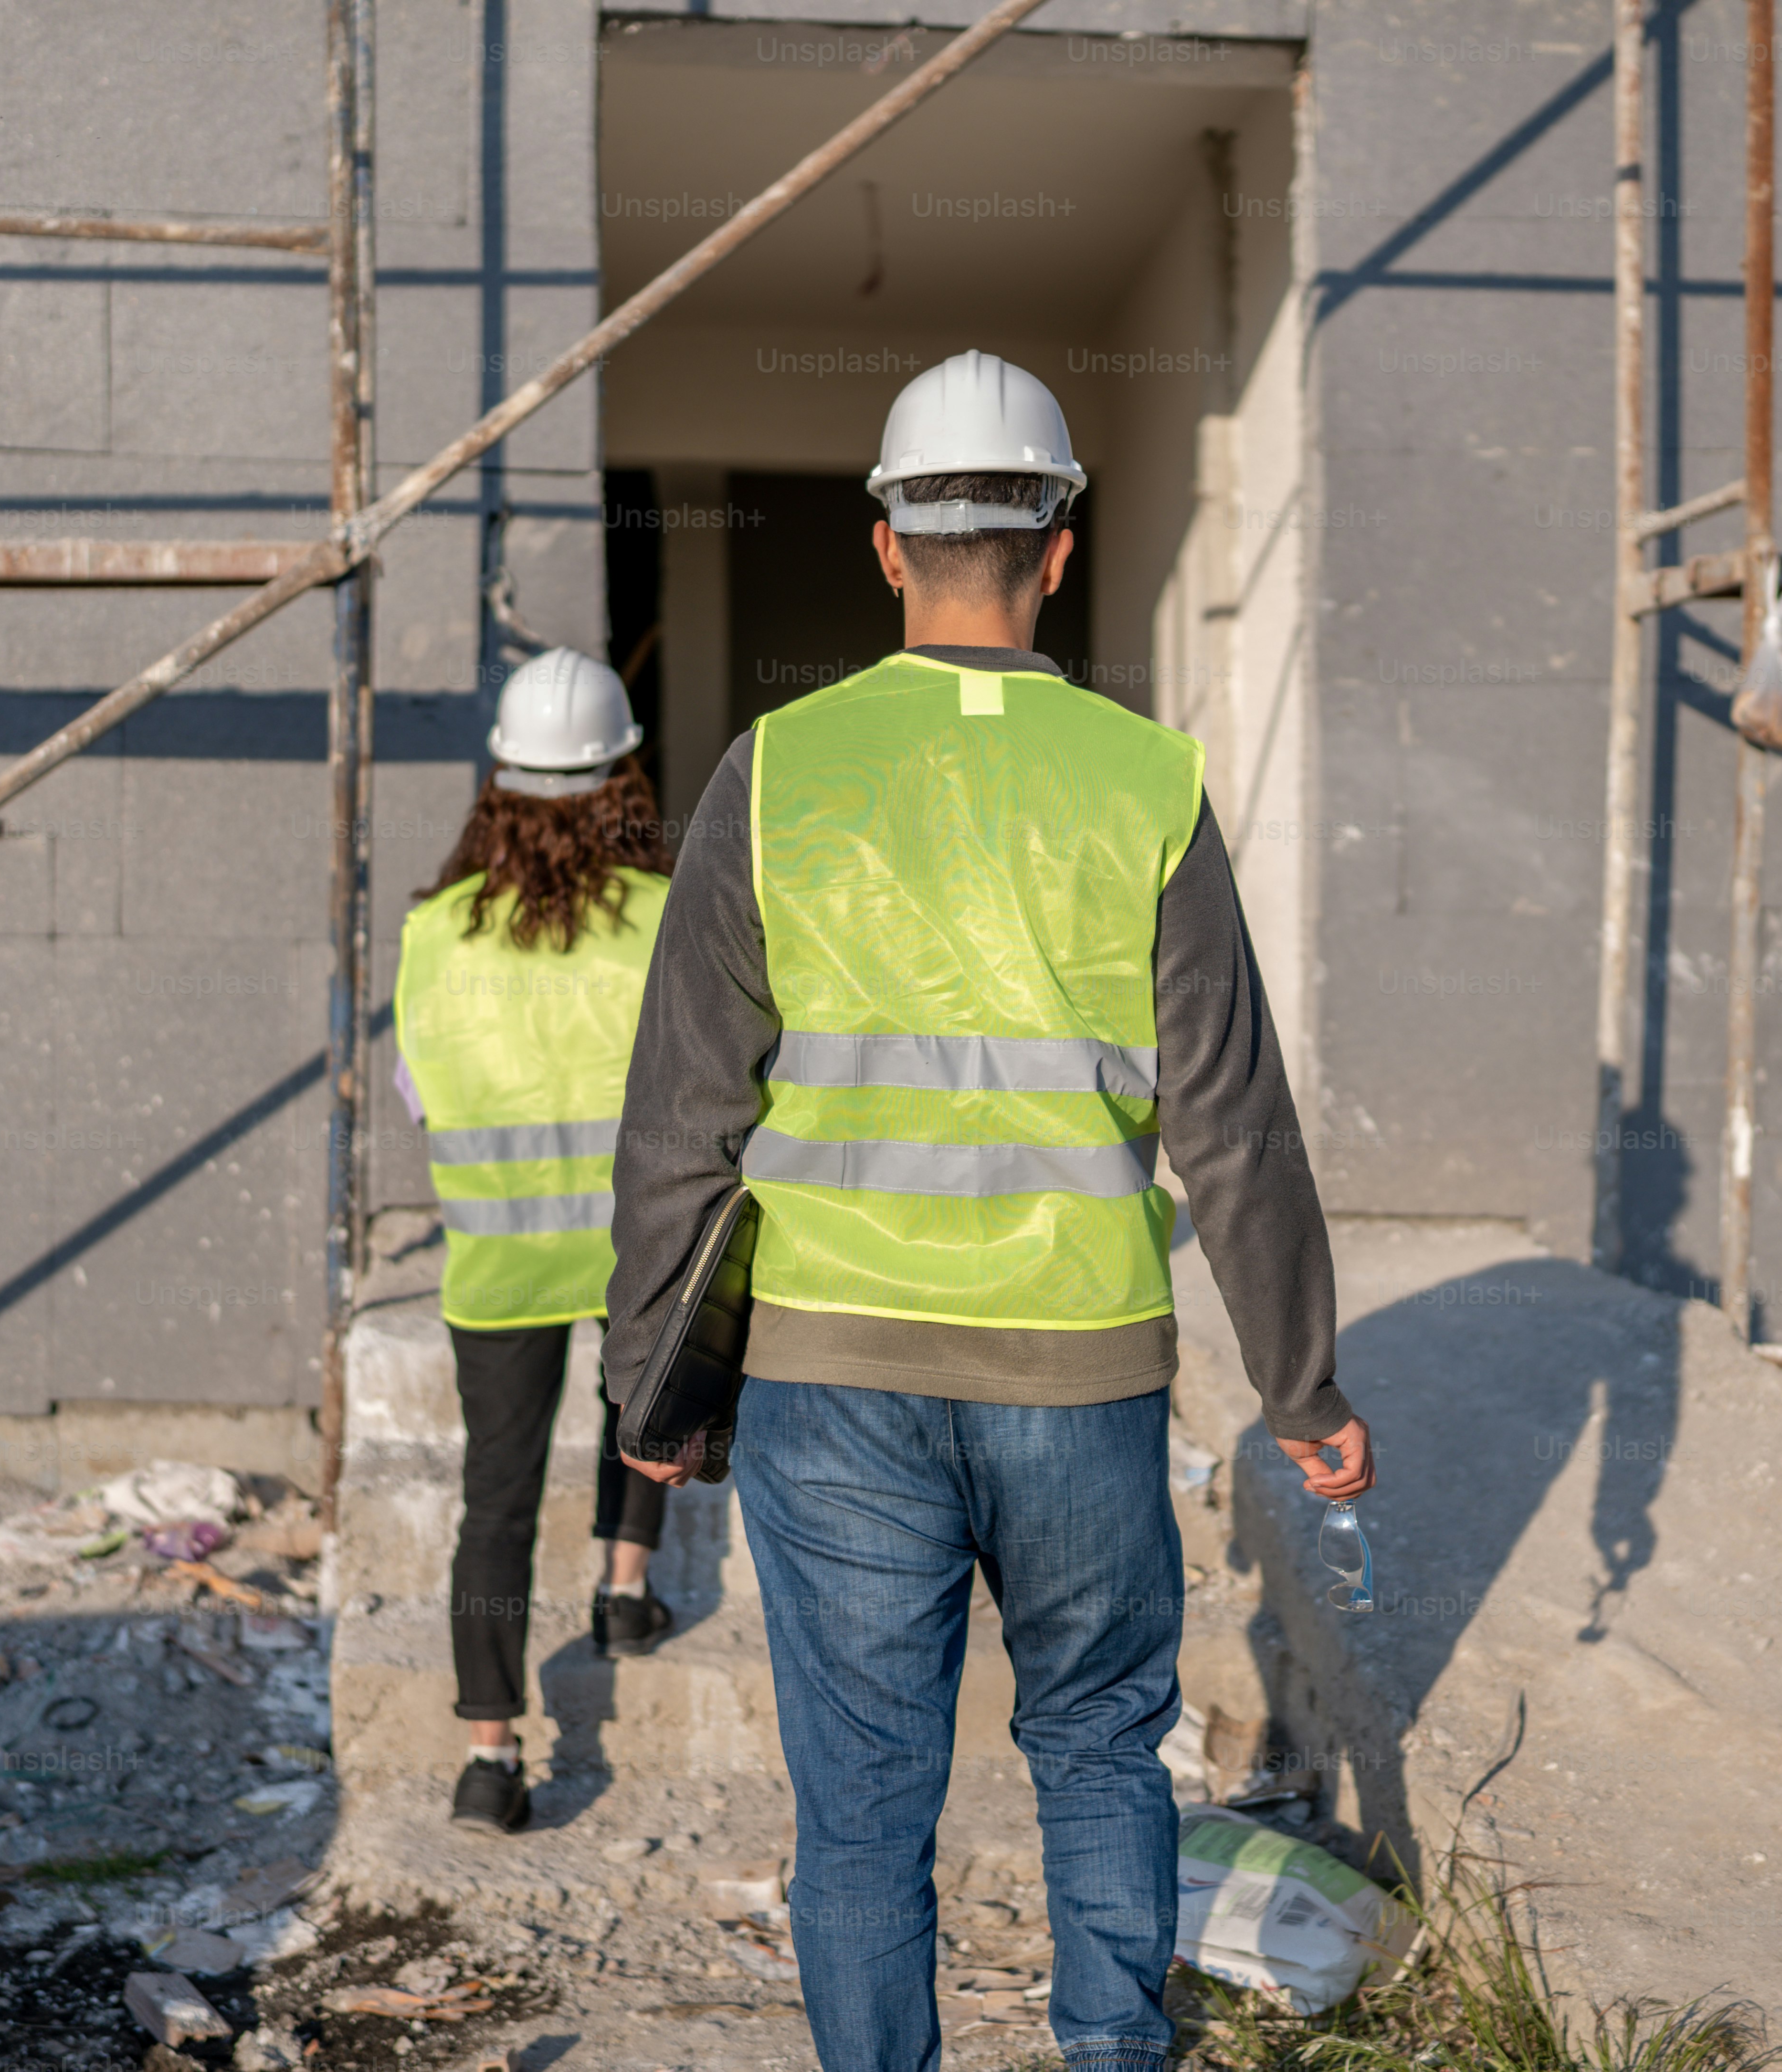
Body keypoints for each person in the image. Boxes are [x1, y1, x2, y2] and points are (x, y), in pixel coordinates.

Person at [601, 351, 1374, 2072]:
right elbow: (1233, 1125)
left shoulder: (774, 772)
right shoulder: (1145, 783)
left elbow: (682, 1113)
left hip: (834, 1379)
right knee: (1101, 1754)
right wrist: (1302, 1389)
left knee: (864, 1808)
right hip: (1079, 1375)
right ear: (1062, 545)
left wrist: (649, 1375)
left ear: (888, 545)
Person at [391, 644, 682, 1836]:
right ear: (624, 776)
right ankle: (623, 1589)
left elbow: (419, 1091)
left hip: (497, 1260)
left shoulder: (437, 929)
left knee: (493, 1499)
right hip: (640, 1243)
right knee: (640, 1410)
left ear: (497, 781)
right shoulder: (668, 917)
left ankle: (490, 1756)